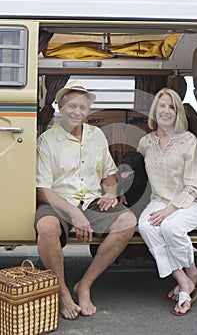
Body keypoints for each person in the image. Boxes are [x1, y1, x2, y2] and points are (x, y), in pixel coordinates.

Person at [35, 80, 136, 320]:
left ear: (88, 110)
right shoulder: (48, 140)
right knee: (46, 226)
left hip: (90, 200)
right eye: (72, 106)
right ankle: (62, 293)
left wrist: (111, 193)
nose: (77, 112)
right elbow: (41, 189)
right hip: (57, 202)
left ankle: (85, 285)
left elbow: (109, 175)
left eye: (83, 107)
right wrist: (73, 213)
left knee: (128, 222)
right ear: (60, 107)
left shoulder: (97, 135)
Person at [137, 88, 197, 316]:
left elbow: (191, 186)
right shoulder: (146, 142)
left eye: (172, 107)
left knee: (170, 227)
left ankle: (192, 274)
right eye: (162, 105)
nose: (166, 111)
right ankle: (185, 279)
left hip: (191, 202)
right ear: (154, 109)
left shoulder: (189, 141)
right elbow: (138, 175)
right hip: (159, 200)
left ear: (178, 112)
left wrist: (169, 210)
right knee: (146, 226)